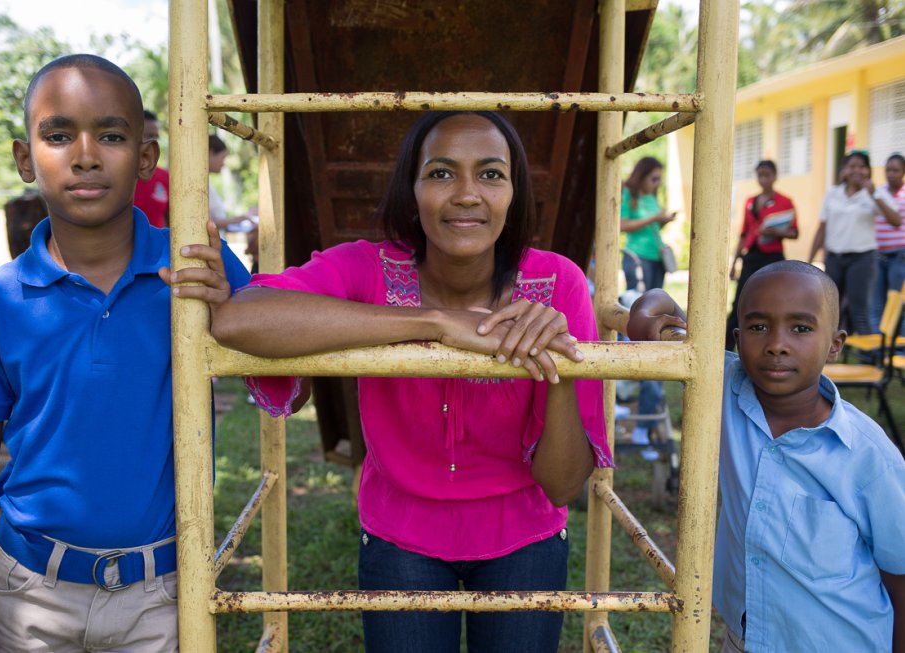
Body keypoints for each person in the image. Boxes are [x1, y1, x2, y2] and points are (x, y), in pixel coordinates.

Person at [209, 111, 612, 652]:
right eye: (442, 173)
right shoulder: (367, 269)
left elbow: (564, 485)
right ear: (413, 188)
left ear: (514, 193)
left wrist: (559, 359)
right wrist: (435, 325)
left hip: (526, 537)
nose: (467, 194)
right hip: (401, 537)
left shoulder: (556, 283)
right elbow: (241, 318)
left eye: (491, 174)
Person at [0, 54, 250, 652]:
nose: (85, 155)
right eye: (58, 135)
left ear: (148, 157)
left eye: (111, 134)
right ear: (25, 159)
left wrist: (231, 309)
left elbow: (288, 389)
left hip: (163, 594)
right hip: (29, 597)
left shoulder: (196, 268)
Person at [627, 261, 905, 653]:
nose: (777, 343)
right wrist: (643, 315)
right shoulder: (718, 386)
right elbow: (662, 303)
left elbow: (901, 575)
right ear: (738, 339)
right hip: (745, 640)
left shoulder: (868, 456)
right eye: (758, 327)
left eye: (801, 328)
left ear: (835, 343)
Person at [808, 150, 902, 335]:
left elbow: (896, 221)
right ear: (844, 170)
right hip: (835, 258)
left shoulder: (875, 194)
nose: (857, 170)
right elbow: (822, 228)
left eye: (862, 166)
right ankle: (826, 354)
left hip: (862, 260)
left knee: (860, 311)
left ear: (868, 171)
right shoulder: (833, 193)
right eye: (852, 166)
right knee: (829, 309)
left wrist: (874, 195)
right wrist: (809, 260)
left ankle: (869, 359)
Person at [620, 156, 676, 452]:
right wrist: (654, 219)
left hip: (655, 261)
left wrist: (661, 222)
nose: (658, 184)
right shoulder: (628, 193)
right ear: (641, 176)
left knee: (656, 320)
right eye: (654, 178)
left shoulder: (652, 197)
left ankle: (639, 403)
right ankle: (624, 390)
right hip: (637, 262)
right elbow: (623, 225)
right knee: (638, 318)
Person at [725, 160, 798, 350]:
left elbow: (794, 232)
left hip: (772, 256)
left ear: (775, 176)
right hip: (751, 255)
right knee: (741, 300)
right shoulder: (750, 201)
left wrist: (776, 233)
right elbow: (744, 233)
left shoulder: (785, 201)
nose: (764, 179)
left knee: (775, 301)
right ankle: (726, 347)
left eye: (767, 175)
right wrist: (734, 263)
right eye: (760, 175)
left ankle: (770, 343)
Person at [871, 153, 905, 337]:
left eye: (896, 170)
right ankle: (878, 350)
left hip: (900, 256)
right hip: (878, 256)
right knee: (877, 304)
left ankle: (900, 349)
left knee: (899, 303)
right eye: (888, 170)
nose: (891, 174)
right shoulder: (879, 192)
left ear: (904, 172)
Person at [208, 134, 257, 232]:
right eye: (222, 157)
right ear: (210, 153)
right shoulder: (197, 185)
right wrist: (238, 220)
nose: (223, 163)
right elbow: (203, 222)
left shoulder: (208, 184)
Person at [133, 109, 171, 228]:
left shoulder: (165, 177)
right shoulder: (113, 176)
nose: (153, 142)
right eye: (148, 136)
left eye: (156, 137)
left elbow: (174, 223)